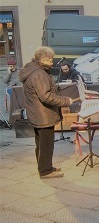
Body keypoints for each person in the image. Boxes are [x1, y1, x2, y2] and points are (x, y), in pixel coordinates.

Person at [18, 46, 75, 179]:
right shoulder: (39, 74)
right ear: (43, 59)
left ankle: (45, 166)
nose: (52, 62)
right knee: (46, 144)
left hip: (37, 113)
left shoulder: (32, 69)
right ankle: (45, 171)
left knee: (41, 143)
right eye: (50, 60)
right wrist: (66, 101)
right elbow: (46, 96)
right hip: (43, 115)